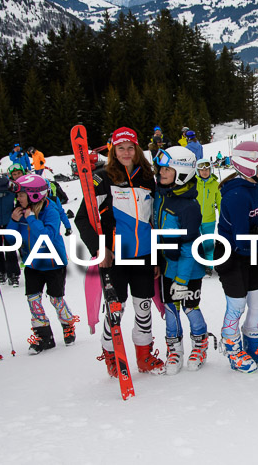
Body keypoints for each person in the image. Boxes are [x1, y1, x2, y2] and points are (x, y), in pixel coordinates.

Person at [76, 127, 165, 376]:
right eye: (121, 148)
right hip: (115, 256)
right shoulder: (102, 177)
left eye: (130, 148)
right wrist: (99, 248)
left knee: (143, 307)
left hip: (145, 254)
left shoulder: (148, 178)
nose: (126, 152)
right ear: (114, 151)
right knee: (117, 308)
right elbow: (83, 218)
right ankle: (111, 355)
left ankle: (144, 355)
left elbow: (154, 221)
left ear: (137, 150)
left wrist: (156, 257)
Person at [216, 141, 258, 373]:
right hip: (231, 254)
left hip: (250, 251)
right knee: (237, 303)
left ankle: (253, 344)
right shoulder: (236, 195)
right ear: (248, 165)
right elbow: (241, 239)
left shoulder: (257, 185)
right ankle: (232, 347)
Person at [154, 146, 214, 375]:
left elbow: (190, 248)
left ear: (182, 173)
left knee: (190, 306)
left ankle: (200, 343)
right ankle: (174, 348)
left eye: (168, 169)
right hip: (169, 266)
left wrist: (181, 279)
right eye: (162, 168)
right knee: (171, 307)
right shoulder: (163, 194)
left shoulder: (189, 206)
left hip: (189, 270)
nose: (162, 172)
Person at [6, 174, 79, 355]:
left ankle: (68, 324)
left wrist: (31, 219)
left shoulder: (51, 211)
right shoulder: (20, 212)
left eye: (21, 195)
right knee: (33, 299)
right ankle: (43, 336)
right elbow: (10, 239)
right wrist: (14, 223)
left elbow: (48, 236)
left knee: (55, 299)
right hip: (32, 264)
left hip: (53, 263)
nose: (18, 198)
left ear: (34, 195)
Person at [196, 158, 221, 276]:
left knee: (208, 244)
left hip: (209, 220)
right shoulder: (193, 183)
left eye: (207, 169)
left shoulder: (215, 184)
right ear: (197, 171)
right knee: (194, 243)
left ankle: (208, 266)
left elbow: (220, 202)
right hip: (194, 220)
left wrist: (222, 216)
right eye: (202, 170)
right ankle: (195, 266)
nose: (204, 172)